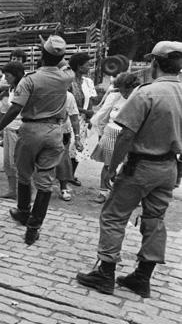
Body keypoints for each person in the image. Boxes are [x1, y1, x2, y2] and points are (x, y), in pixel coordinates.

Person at [75, 40, 182, 298]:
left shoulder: (146, 93)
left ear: (155, 63)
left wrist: (111, 167)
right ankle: (142, 277)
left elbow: (125, 135)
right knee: (154, 220)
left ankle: (106, 273)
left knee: (113, 216)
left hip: (141, 165)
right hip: (168, 166)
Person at [0, 35, 74, 245]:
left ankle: (23, 211)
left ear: (41, 56)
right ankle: (33, 228)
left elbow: (15, 108)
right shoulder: (66, 77)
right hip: (55, 131)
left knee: (24, 174)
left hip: (31, 130)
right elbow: (64, 63)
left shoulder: (30, 79)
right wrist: (55, 52)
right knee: (45, 181)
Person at [89, 72, 141, 203]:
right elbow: (102, 116)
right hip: (111, 134)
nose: (124, 93)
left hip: (130, 136)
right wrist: (101, 133)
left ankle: (129, 195)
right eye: (121, 90)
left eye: (126, 90)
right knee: (108, 165)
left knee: (131, 166)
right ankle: (103, 192)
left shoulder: (140, 97)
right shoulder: (114, 96)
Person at [68, 52, 98, 185]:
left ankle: (70, 175)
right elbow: (68, 102)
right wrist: (85, 111)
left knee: (78, 149)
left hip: (83, 118)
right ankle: (63, 175)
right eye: (87, 65)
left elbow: (91, 99)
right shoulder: (69, 81)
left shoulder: (88, 82)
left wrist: (88, 116)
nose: (89, 67)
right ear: (79, 67)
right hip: (69, 118)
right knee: (67, 147)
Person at [0, 61, 25, 200]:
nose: (5, 79)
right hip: (9, 128)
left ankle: (25, 193)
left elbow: (15, 109)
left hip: (20, 129)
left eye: (7, 76)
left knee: (19, 163)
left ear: (16, 75)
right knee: (8, 162)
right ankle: (12, 190)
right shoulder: (11, 89)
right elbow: (4, 111)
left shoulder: (24, 87)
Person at [55, 90, 82, 202]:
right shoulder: (43, 91)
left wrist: (77, 138)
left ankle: (63, 188)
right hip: (44, 131)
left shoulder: (69, 96)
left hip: (63, 133)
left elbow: (74, 118)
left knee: (62, 161)